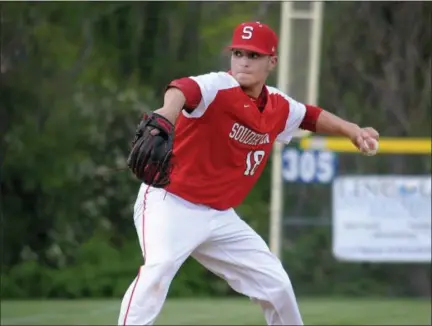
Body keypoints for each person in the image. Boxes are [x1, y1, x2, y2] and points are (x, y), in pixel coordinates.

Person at [118, 21, 379, 326]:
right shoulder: (218, 86)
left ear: (272, 61)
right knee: (158, 269)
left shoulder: (277, 105)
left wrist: (352, 130)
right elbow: (182, 88)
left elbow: (309, 116)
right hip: (171, 203)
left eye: (253, 55)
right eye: (238, 53)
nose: (243, 60)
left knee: (277, 285)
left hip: (220, 216)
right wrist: (166, 114)